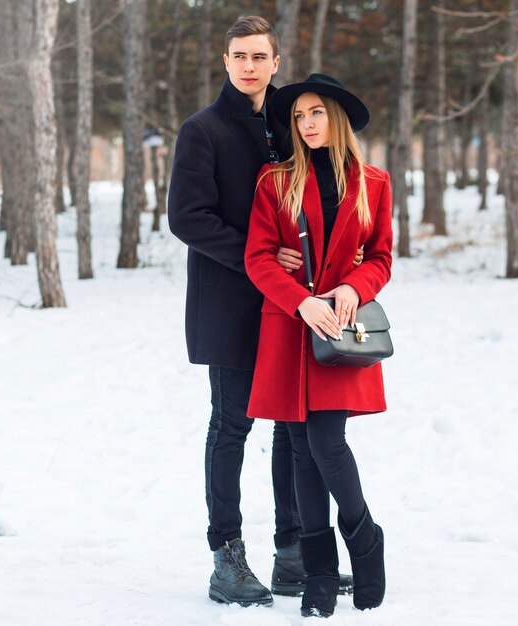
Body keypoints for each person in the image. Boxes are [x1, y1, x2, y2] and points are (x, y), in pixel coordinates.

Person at [167, 18, 353, 607]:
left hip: (294, 304)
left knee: (292, 428)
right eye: (239, 56)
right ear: (225, 62)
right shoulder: (203, 130)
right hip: (230, 303)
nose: (249, 66)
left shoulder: (293, 122)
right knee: (231, 427)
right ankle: (227, 556)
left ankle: (292, 553)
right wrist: (256, 253)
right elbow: (187, 218)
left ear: (277, 63)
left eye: (260, 57)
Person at [244, 74, 392, 618]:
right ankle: (321, 575)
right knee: (302, 448)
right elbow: (258, 256)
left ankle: (365, 541)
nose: (306, 124)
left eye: (316, 114)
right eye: (299, 116)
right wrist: (298, 301)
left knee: (326, 442)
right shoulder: (273, 180)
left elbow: (381, 256)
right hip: (290, 325)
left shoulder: (374, 182)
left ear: (338, 118)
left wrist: (355, 285)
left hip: (342, 331)